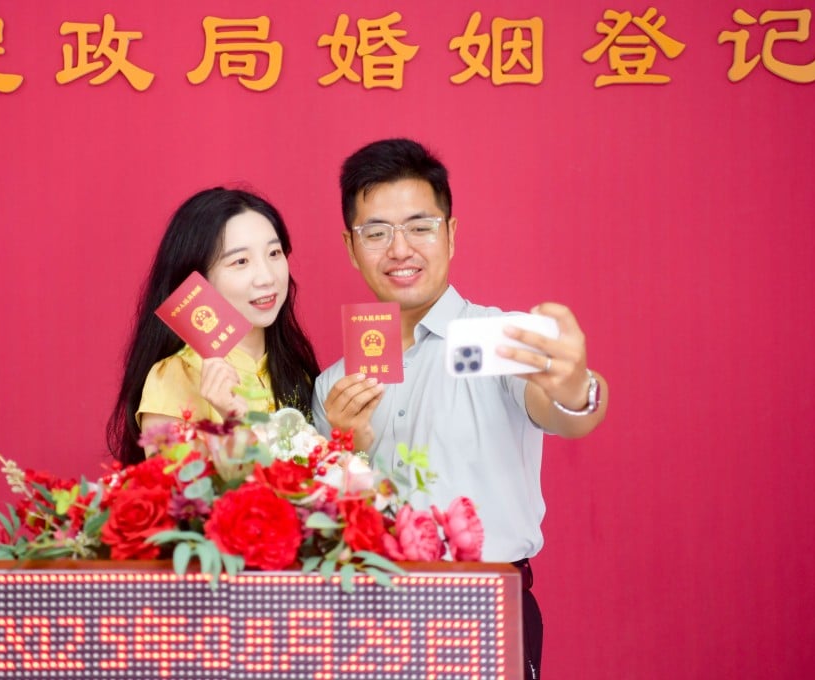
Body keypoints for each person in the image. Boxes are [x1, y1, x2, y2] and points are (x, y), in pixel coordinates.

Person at [311, 138, 609, 680]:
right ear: (352, 248)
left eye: (420, 227)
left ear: (451, 233)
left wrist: (577, 387)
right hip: (365, 622)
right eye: (376, 233)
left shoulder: (500, 339)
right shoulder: (335, 384)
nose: (399, 250)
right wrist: (344, 450)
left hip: (485, 608)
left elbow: (563, 409)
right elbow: (320, 525)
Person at [107, 187, 320, 467]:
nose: (267, 277)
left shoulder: (294, 370)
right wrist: (231, 422)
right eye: (240, 261)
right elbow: (179, 502)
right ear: (198, 280)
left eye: (274, 252)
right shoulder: (175, 376)